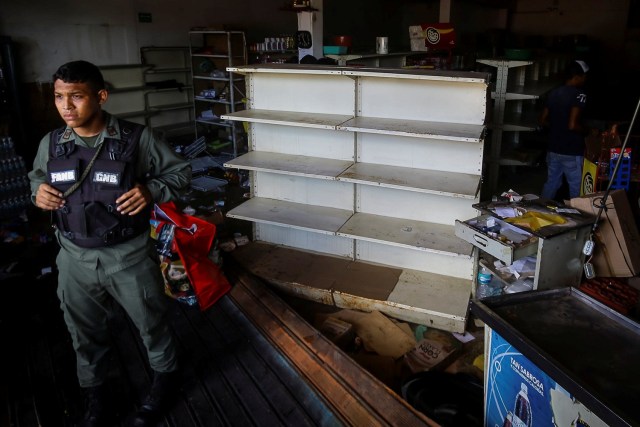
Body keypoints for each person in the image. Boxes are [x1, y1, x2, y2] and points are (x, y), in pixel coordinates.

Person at [28, 60, 191, 427]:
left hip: (128, 256)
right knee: (82, 333)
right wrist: (37, 193)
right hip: (73, 257)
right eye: (58, 97)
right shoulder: (51, 143)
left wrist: (151, 190)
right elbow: (36, 179)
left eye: (77, 97)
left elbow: (180, 173)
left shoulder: (136, 138)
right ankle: (96, 395)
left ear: (100, 97)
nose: (66, 106)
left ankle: (165, 379)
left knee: (151, 324)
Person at [540, 60, 589, 200]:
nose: (585, 79)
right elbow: (572, 125)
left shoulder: (554, 93)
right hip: (571, 150)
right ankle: (579, 217)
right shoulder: (580, 95)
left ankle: (540, 210)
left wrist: (557, 128)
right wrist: (589, 131)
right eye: (584, 76)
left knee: (552, 183)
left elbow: (543, 120)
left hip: (553, 148)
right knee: (576, 187)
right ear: (577, 77)